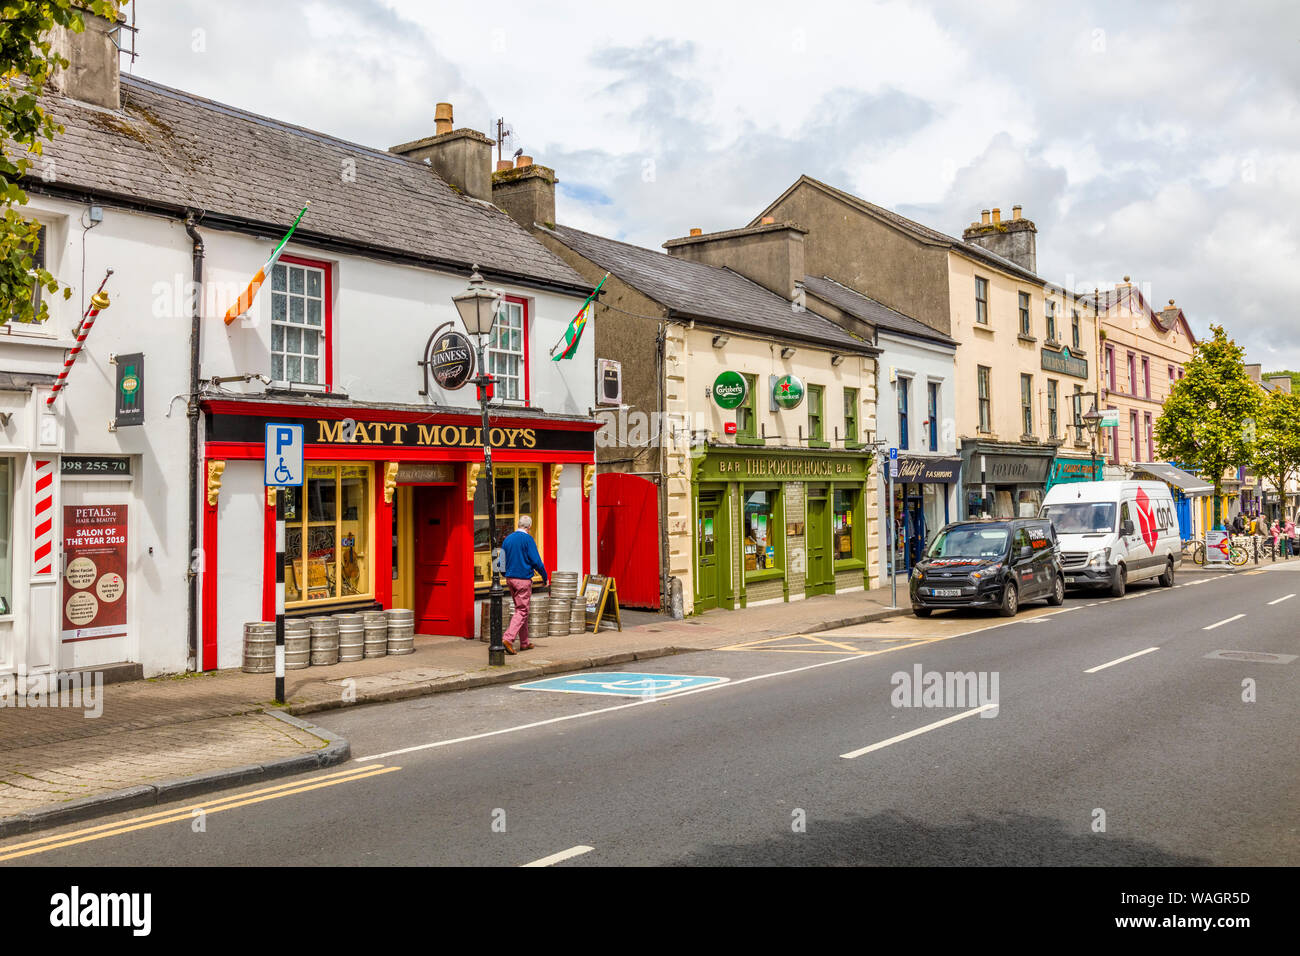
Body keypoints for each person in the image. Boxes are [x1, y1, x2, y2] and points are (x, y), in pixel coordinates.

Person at [499, 515, 548, 654]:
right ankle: (508, 638)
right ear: (529, 527)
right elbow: (536, 561)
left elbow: (500, 561)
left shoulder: (507, 539)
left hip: (510, 579)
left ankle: (524, 642)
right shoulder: (528, 539)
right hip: (523, 579)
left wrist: (505, 574)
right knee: (522, 610)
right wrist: (544, 577)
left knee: (521, 610)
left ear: (518, 524)